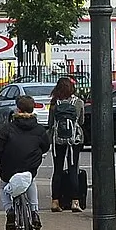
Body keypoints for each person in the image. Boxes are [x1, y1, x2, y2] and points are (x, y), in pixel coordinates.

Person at [0, 94, 48, 230]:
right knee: (30, 181)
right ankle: (35, 212)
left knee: (3, 186)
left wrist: (0, 155)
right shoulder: (39, 129)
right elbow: (46, 146)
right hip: (30, 166)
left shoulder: (7, 129)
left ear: (17, 110)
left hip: (9, 167)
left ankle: (9, 210)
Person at [47, 75, 87, 213]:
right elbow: (81, 121)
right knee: (73, 168)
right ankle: (75, 201)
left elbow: (50, 123)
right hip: (74, 139)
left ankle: (55, 201)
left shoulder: (54, 103)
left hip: (58, 140)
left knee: (57, 170)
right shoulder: (78, 102)